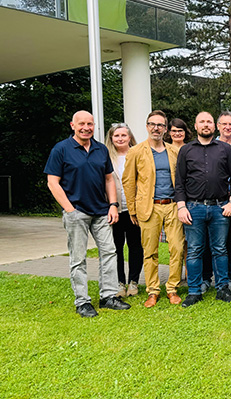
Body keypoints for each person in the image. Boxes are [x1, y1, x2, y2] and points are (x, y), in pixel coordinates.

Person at [44, 110, 130, 317]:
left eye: (90, 124)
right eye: (81, 123)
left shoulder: (101, 150)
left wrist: (113, 205)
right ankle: (82, 301)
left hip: (101, 211)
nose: (86, 127)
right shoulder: (61, 149)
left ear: (94, 126)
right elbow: (52, 182)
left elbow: (109, 179)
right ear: (72, 125)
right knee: (78, 257)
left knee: (109, 253)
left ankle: (108, 296)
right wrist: (69, 209)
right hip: (77, 212)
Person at [175, 111, 231, 307]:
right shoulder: (186, 150)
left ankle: (222, 288)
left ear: (214, 126)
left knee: (220, 249)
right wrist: (181, 207)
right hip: (193, 208)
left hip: (220, 208)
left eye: (209, 122)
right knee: (194, 250)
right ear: (195, 126)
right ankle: (194, 291)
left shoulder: (225, 149)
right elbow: (179, 181)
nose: (206, 125)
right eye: (202, 122)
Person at [123, 110, 185, 307]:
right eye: (152, 124)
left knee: (177, 247)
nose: (156, 128)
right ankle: (152, 290)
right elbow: (128, 182)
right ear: (147, 126)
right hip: (149, 207)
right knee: (150, 251)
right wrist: (132, 209)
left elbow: (182, 180)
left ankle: (172, 288)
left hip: (172, 205)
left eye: (160, 125)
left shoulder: (174, 151)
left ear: (165, 128)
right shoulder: (136, 151)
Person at [201, 112, 231, 293]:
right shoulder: (208, 146)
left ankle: (229, 277)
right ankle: (206, 278)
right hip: (213, 202)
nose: (227, 127)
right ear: (218, 126)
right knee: (209, 242)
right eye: (224, 124)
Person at [104, 123, 143, 298]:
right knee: (116, 248)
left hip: (134, 210)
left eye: (123, 135)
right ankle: (119, 282)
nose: (120, 138)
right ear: (111, 138)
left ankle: (133, 281)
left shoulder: (138, 155)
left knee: (135, 246)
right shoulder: (105, 156)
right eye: (116, 136)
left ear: (129, 137)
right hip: (114, 210)